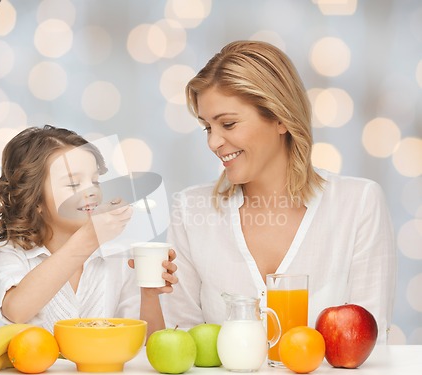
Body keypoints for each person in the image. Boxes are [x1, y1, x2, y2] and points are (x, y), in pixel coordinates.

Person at [161, 40, 396, 343]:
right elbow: (181, 344)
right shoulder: (191, 210)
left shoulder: (359, 204)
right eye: (208, 128)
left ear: (280, 118)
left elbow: (367, 346)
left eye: (228, 124)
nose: (213, 142)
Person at [0, 125, 177, 336]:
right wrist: (87, 239)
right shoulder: (11, 252)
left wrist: (148, 294)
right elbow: (16, 311)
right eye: (74, 184)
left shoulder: (118, 253)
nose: (92, 191)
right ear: (36, 199)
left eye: (94, 181)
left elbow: (149, 342)